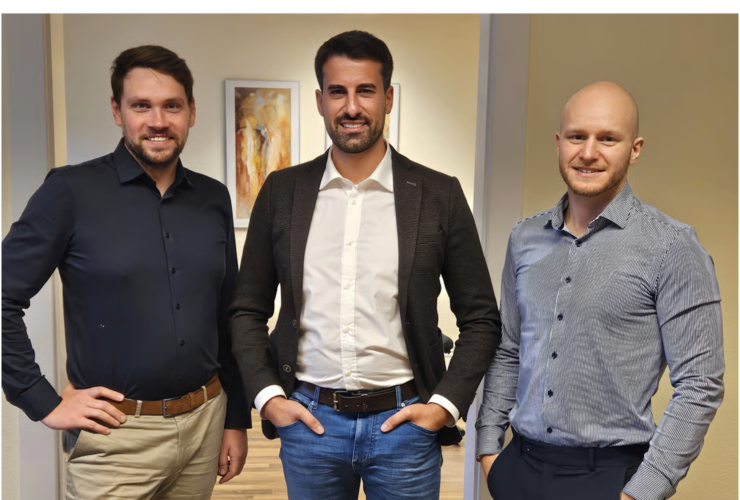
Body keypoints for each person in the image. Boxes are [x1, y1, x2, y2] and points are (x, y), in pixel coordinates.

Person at [229, 30, 501, 500]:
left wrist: (444, 405)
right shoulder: (282, 192)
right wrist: (268, 398)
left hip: (405, 426)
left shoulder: (439, 195)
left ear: (388, 98)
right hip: (309, 425)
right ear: (320, 101)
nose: (351, 107)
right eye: (338, 92)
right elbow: (246, 309)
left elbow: (480, 318)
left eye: (366, 91)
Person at [2, 45, 249, 499]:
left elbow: (226, 315)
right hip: (116, 438)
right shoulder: (70, 191)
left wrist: (235, 419)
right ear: (118, 111)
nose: (158, 121)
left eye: (172, 105)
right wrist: (41, 400)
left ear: (191, 112)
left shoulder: (213, 198)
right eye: (141, 106)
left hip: (205, 424)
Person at [475, 81, 724, 500]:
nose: (588, 153)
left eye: (607, 139)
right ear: (559, 143)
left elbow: (701, 384)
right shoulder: (524, 238)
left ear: (635, 148)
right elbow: (509, 349)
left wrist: (641, 492)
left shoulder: (672, 246)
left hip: (610, 478)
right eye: (577, 136)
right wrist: (488, 449)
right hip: (518, 467)